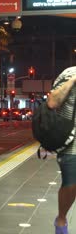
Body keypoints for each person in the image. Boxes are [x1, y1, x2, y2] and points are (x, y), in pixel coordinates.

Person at [47, 67, 76, 234]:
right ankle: (61, 219)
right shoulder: (68, 74)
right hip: (72, 143)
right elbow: (52, 102)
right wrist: (72, 81)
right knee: (71, 185)